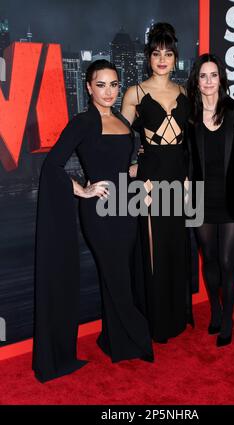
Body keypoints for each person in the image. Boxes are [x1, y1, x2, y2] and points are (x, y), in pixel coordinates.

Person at [32, 60, 153, 383]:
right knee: (116, 278)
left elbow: (124, 168)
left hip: (127, 208)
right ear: (88, 87)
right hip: (100, 213)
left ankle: (116, 341)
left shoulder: (123, 122)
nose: (109, 91)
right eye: (101, 85)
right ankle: (140, 335)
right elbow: (53, 166)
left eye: (114, 85)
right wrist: (83, 190)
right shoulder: (83, 123)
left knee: (119, 277)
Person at [121, 22, 194, 343]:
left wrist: (192, 179)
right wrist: (133, 164)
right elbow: (118, 138)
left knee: (176, 246)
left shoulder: (185, 92)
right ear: (148, 57)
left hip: (180, 178)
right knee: (151, 249)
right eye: (156, 53)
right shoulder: (134, 93)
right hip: (149, 181)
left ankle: (177, 314)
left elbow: (194, 140)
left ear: (175, 57)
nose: (162, 59)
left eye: (168, 53)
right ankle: (155, 321)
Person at [187, 53, 234, 346]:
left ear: (221, 78)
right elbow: (184, 157)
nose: (208, 81)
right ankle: (215, 310)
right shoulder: (190, 116)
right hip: (200, 199)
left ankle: (228, 317)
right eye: (203, 76)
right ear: (197, 80)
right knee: (211, 259)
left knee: (229, 261)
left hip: (232, 198)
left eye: (213, 75)